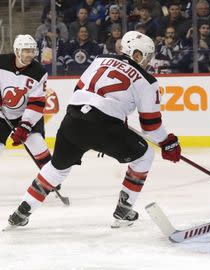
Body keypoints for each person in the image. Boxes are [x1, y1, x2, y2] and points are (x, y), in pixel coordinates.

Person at [5, 31, 182, 230]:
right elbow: (151, 126)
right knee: (145, 156)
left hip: (72, 120)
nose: (148, 61)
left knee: (57, 168)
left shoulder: (101, 59)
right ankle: (124, 210)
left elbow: (79, 89)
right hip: (105, 127)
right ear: (137, 54)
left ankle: (21, 211)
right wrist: (168, 143)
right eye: (147, 56)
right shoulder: (148, 81)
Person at [0, 35, 52, 169]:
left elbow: (37, 103)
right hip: (3, 114)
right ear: (17, 51)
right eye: (26, 51)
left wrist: (25, 125)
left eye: (32, 51)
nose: (30, 54)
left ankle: (50, 177)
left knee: (37, 145)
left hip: (27, 115)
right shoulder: (2, 62)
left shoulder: (39, 71)